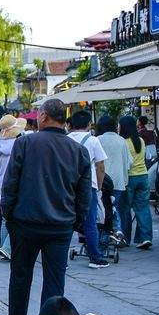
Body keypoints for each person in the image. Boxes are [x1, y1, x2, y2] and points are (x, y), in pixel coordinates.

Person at [0, 97, 92, 315]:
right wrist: (77, 221)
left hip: (26, 221)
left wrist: (8, 214)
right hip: (61, 225)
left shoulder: (26, 142)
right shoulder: (79, 151)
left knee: (21, 272)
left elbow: (10, 183)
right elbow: (85, 194)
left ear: (43, 117)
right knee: (54, 280)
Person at [67, 110, 109, 267]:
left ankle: (61, 259)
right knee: (89, 222)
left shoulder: (65, 139)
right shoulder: (93, 140)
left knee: (66, 221)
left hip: (68, 185)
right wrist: (98, 186)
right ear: (89, 124)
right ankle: (95, 258)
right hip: (87, 185)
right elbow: (100, 166)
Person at [0, 115, 25, 259]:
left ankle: (4, 246)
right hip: (15, 183)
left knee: (5, 218)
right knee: (16, 217)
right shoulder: (19, 143)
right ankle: (7, 247)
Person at [120, 114, 153, 249]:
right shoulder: (140, 140)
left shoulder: (123, 142)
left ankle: (125, 238)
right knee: (143, 208)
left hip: (129, 178)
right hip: (143, 176)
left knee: (125, 209)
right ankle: (145, 238)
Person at [97, 113, 129, 246]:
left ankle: (106, 236)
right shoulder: (122, 141)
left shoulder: (97, 139)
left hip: (102, 182)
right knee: (114, 207)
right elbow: (128, 163)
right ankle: (117, 231)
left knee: (104, 210)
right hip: (118, 181)